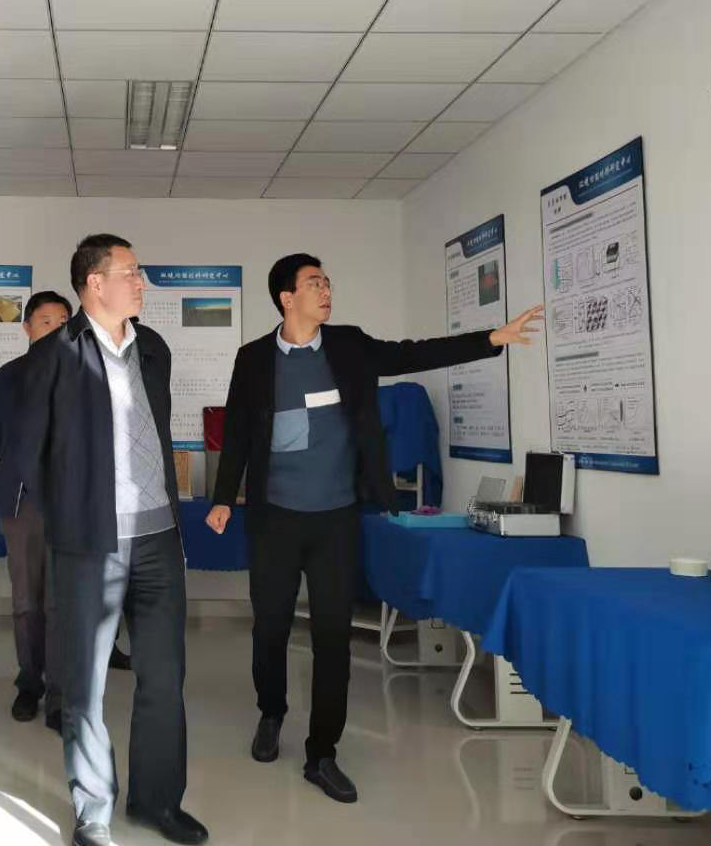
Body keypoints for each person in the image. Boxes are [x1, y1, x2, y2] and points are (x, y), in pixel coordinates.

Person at [206, 253, 542, 803]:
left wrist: (490, 339)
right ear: (286, 298)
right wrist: (223, 499)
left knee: (332, 637)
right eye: (314, 283)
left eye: (327, 282)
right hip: (274, 519)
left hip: (337, 518)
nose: (326, 290)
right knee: (269, 628)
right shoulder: (254, 358)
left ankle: (322, 752)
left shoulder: (349, 345)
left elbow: (413, 354)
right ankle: (271, 711)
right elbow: (239, 431)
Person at [16, 234, 207, 846]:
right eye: (131, 272)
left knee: (164, 677)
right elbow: (27, 451)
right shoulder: (55, 355)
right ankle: (93, 810)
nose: (141, 281)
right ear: (95, 283)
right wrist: (71, 515)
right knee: (86, 684)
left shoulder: (153, 347)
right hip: (89, 543)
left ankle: (158, 801)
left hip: (159, 537)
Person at [0, 290, 131, 730]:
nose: (55, 329)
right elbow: (0, 438)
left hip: (74, 504)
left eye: (63, 321)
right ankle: (29, 682)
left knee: (63, 603)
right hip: (25, 501)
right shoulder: (10, 376)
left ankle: (60, 696)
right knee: (27, 600)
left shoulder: (90, 373)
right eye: (45, 321)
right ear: (27, 328)